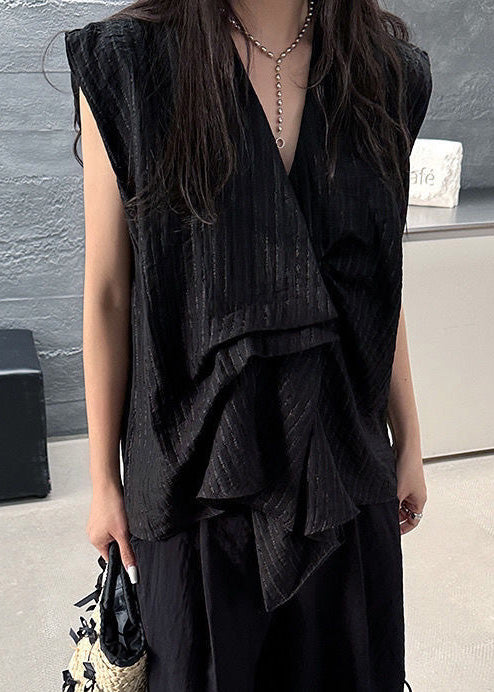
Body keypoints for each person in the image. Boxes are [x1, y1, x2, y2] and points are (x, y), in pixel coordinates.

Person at [64, 0, 432, 689]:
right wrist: (101, 479)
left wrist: (408, 438)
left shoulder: (383, 74)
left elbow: (375, 282)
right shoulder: (132, 64)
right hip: (194, 474)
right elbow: (110, 291)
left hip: (344, 467)